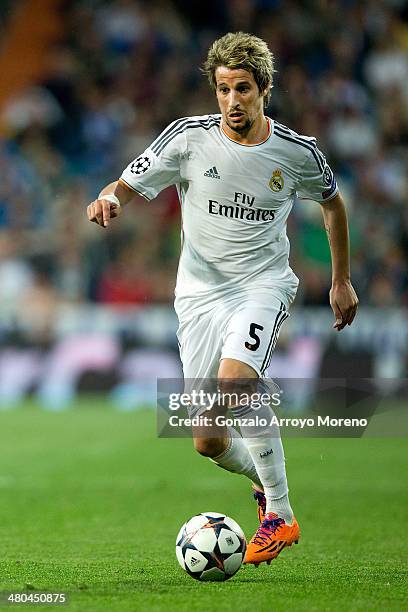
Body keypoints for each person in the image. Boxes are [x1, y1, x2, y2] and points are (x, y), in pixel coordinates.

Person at [87, 32, 359, 566]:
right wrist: (107, 198)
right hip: (198, 297)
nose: (232, 101)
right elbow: (127, 182)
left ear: (264, 91)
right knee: (208, 439)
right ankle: (265, 484)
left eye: (243, 89)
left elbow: (333, 205)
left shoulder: (297, 153)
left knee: (237, 383)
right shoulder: (188, 139)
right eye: (223, 90)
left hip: (262, 285)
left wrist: (341, 280)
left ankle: (280, 514)